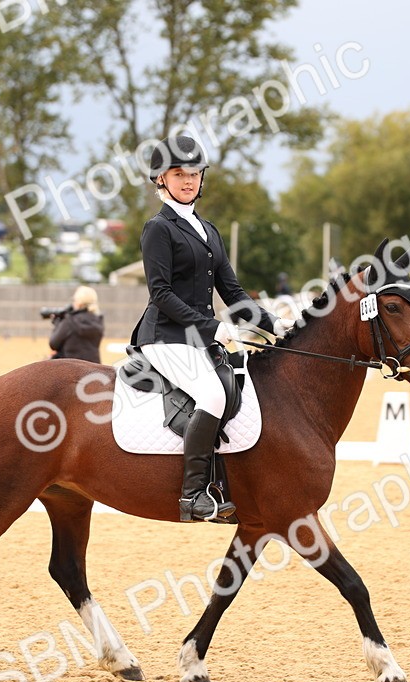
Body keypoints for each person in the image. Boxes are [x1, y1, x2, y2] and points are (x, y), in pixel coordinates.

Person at [131, 135, 295, 522]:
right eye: (178, 174)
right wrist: (213, 327)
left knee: (235, 386)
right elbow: (161, 294)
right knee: (212, 394)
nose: (188, 180)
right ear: (161, 179)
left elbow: (233, 292)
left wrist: (276, 324)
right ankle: (192, 495)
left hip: (198, 338)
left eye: (194, 173)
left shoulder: (209, 230)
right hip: (165, 336)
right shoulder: (158, 228)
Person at [49, 286, 105, 364]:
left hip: (71, 369)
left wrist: (57, 324)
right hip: (94, 369)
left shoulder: (69, 321)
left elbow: (53, 344)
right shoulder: (98, 320)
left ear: (79, 303)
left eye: (74, 300)